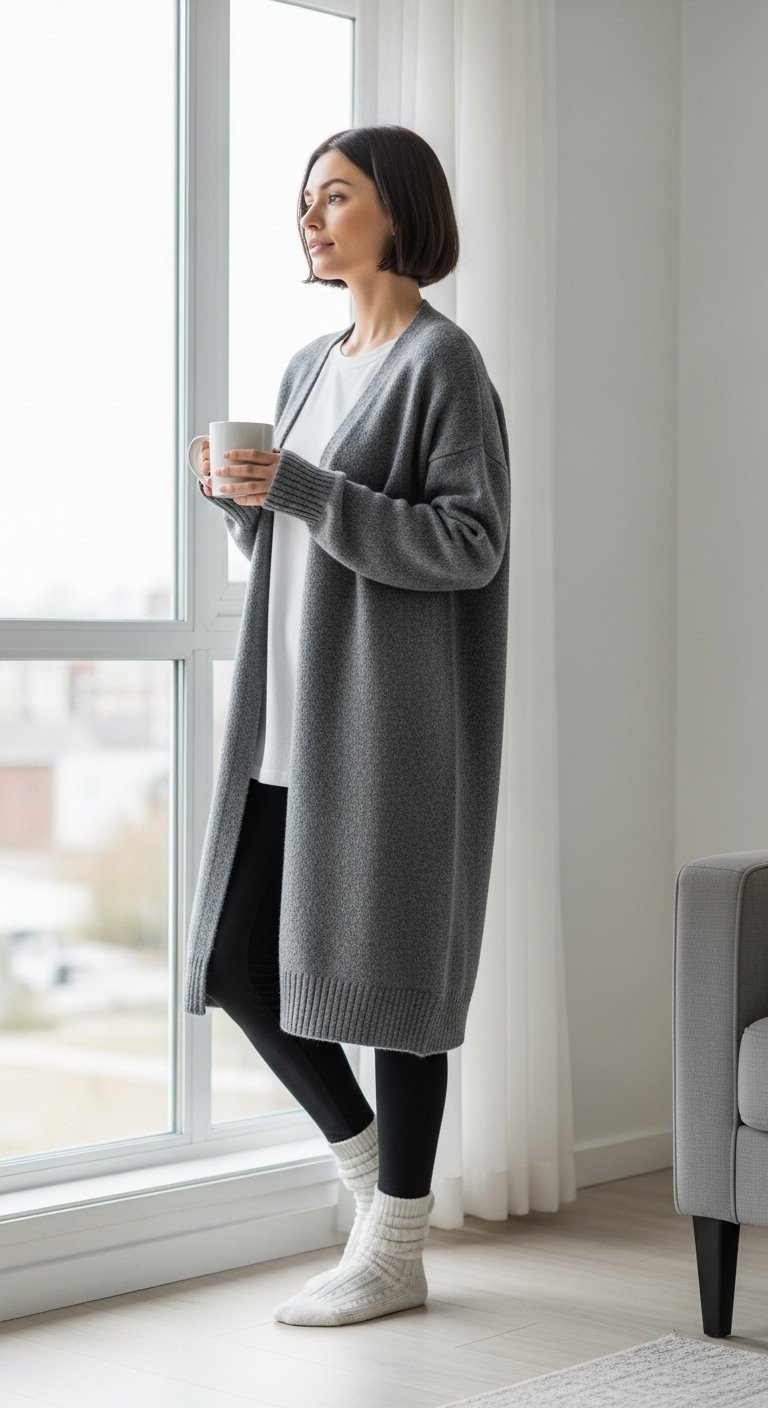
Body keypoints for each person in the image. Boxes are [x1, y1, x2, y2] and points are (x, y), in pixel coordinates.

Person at [184, 125, 510, 1327]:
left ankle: (396, 1249)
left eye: (335, 196)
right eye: (306, 200)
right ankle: (380, 1190)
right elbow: (299, 545)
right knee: (235, 961)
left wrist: (305, 488)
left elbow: (469, 545)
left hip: (390, 720)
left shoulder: (443, 363)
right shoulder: (306, 368)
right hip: (288, 708)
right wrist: (239, 501)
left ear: (398, 210)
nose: (311, 219)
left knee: (393, 978)